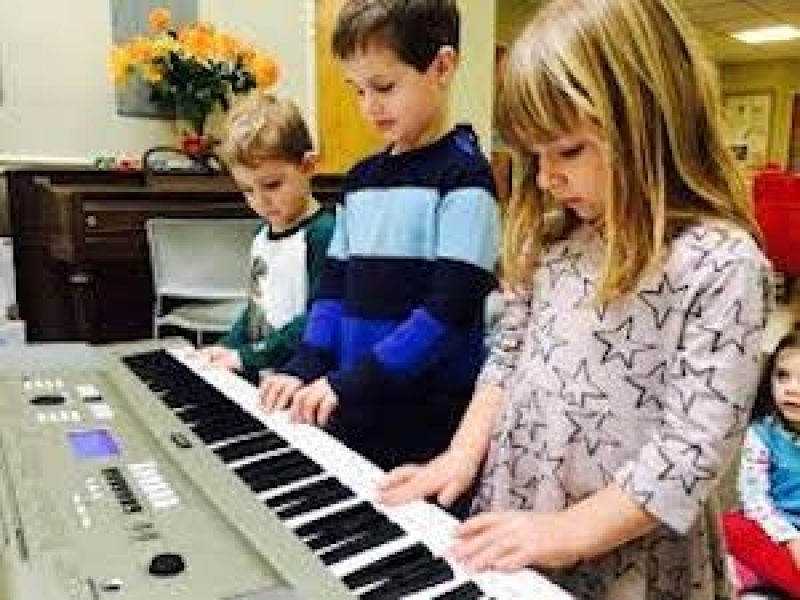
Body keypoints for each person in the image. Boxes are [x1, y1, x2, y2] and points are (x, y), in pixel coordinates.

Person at [378, 0, 773, 598]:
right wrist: (458, 459)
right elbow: (504, 362)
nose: (545, 179)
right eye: (535, 155)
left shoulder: (722, 264)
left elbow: (692, 449)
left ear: (651, 125)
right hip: (521, 516)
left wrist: (566, 532)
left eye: (567, 151)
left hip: (629, 554)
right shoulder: (553, 242)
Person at [259, 0, 500, 471]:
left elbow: (450, 312)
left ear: (442, 66)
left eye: (384, 87)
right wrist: (307, 362)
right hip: (357, 400)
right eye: (357, 91)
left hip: (429, 419)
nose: (370, 106)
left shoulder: (466, 178)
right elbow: (332, 290)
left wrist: (353, 381)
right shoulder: (360, 179)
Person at [192, 92, 335, 379]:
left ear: (308, 166)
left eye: (272, 185)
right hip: (268, 378)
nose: (260, 201)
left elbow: (320, 320)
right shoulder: (261, 236)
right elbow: (257, 308)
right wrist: (226, 347)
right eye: (247, 190)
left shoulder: (324, 235)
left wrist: (246, 356)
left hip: (305, 383)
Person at [723, 330, 800, 598]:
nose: (792, 388)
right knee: (733, 527)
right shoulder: (762, 434)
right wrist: (791, 539)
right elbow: (755, 499)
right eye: (782, 376)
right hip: (772, 530)